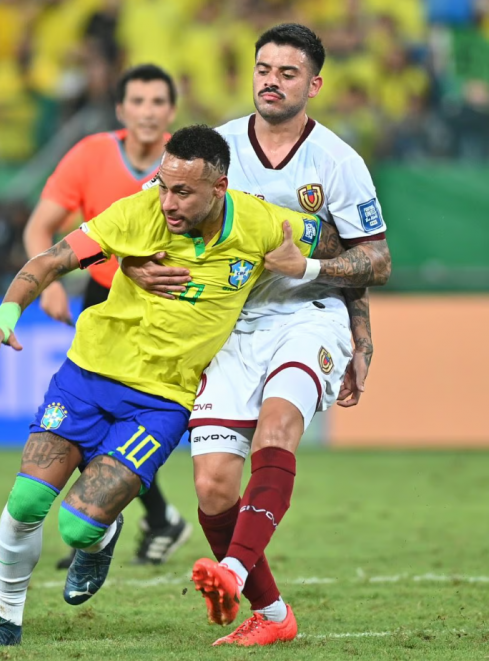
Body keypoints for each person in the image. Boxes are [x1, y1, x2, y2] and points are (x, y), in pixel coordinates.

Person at [0, 125, 344, 647]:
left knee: (77, 529)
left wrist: (312, 270)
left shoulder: (262, 223)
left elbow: (337, 240)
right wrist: (4, 317)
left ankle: (101, 538)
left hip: (160, 403)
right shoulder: (137, 215)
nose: (166, 202)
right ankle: (4, 624)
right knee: (25, 501)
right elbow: (51, 259)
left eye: (182, 192)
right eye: (162, 185)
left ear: (220, 188)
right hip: (86, 378)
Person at [122, 24, 392, 647]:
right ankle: (272, 617)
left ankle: (233, 570)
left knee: (278, 426)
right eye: (263, 69)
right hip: (227, 325)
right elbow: (141, 215)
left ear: (314, 85)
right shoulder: (215, 147)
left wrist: (319, 279)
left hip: (308, 314)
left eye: (287, 72)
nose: (271, 80)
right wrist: (134, 263)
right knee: (213, 484)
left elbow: (376, 259)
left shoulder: (338, 162)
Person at [23, 63, 188, 570]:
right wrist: (47, 283)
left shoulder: (185, 164)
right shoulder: (92, 153)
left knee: (134, 423)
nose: (146, 111)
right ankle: (131, 521)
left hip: (174, 309)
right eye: (137, 101)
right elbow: (40, 226)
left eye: (157, 102)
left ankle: (120, 520)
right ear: (121, 110)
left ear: (170, 112)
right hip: (106, 305)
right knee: (95, 420)